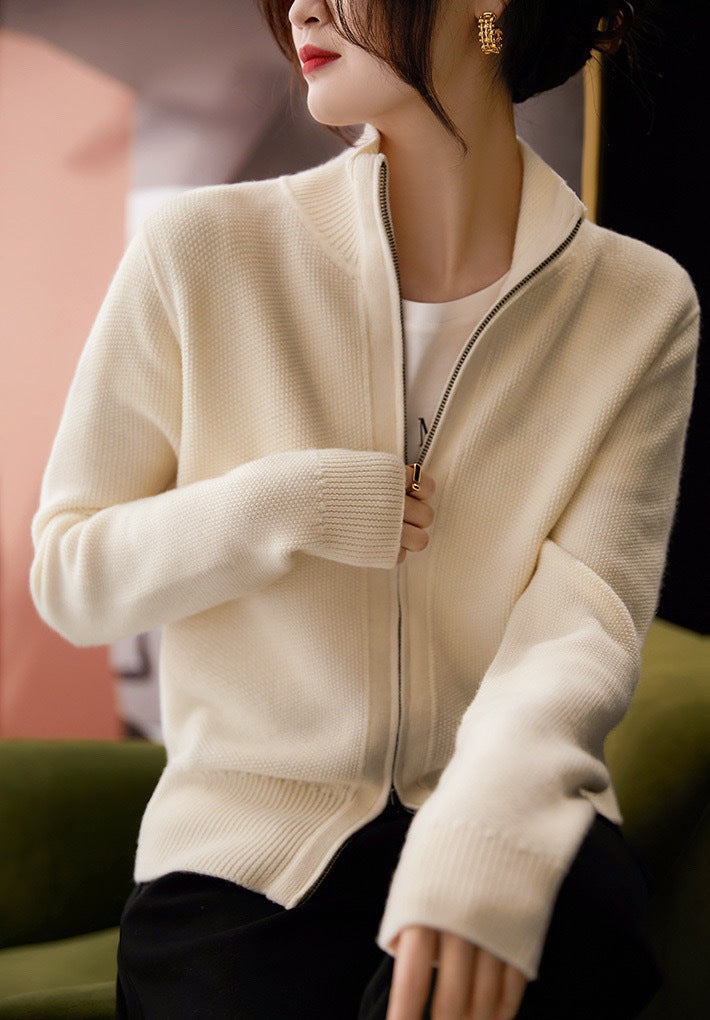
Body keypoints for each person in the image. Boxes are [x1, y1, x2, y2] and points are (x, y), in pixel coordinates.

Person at [28, 1, 698, 1017]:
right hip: (246, 856)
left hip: (514, 810)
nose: (302, 4)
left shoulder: (637, 304)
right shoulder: (201, 251)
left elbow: (585, 620)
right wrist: (283, 504)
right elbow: (73, 578)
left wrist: (484, 834)